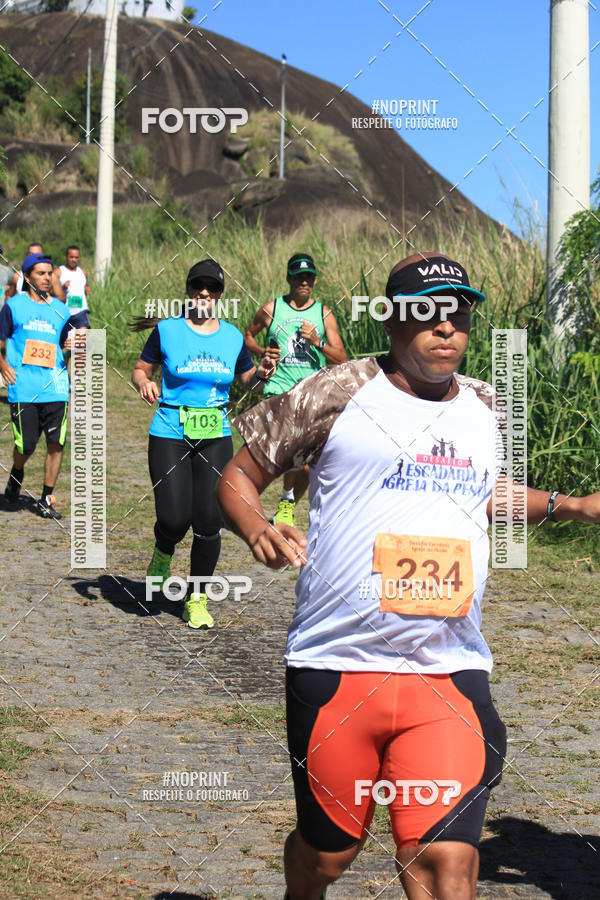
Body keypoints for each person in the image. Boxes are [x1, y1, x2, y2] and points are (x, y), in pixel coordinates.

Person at [218, 252, 600, 900]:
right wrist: (257, 527)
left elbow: (485, 494)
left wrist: (572, 506)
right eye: (428, 312)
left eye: (459, 313)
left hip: (447, 670)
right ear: (392, 320)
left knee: (443, 862)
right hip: (337, 665)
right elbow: (239, 473)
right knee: (329, 855)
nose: (446, 326)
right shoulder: (335, 391)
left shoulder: (487, 406)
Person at [131, 259, 275, 630]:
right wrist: (144, 382)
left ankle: (196, 598)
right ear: (189, 289)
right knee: (174, 519)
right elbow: (141, 369)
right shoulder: (167, 331)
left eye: (212, 287)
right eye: (198, 286)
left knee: (210, 522)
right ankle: (163, 550)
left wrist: (261, 374)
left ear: (220, 295)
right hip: (170, 432)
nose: (205, 292)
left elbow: (247, 380)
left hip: (215, 435)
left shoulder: (232, 336)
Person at [243, 253, 346, 527]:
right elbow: (247, 336)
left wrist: (318, 342)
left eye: (308, 277)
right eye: (298, 277)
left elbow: (341, 358)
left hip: (311, 393)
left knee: (304, 462)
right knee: (278, 453)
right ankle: (243, 499)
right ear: (288, 278)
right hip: (277, 390)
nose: (304, 282)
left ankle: (286, 504)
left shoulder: (324, 314)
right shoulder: (271, 309)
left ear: (315, 280)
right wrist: (262, 352)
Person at [0, 253, 75, 519]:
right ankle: (17, 473)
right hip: (24, 387)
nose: (47, 278)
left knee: (56, 443)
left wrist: (71, 346)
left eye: (49, 273)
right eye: (41, 273)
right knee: (26, 444)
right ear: (28, 276)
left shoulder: (62, 310)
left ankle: (46, 498)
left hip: (55, 387)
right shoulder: (13, 306)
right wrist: (3, 365)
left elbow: (67, 344)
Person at [52, 245, 91, 329]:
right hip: (64, 312)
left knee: (82, 335)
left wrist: (87, 289)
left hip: (81, 311)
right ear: (66, 257)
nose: (74, 260)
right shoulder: (58, 272)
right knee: (67, 337)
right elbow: (50, 292)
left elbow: (86, 286)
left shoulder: (83, 272)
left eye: (76, 257)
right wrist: (62, 287)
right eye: (71, 257)